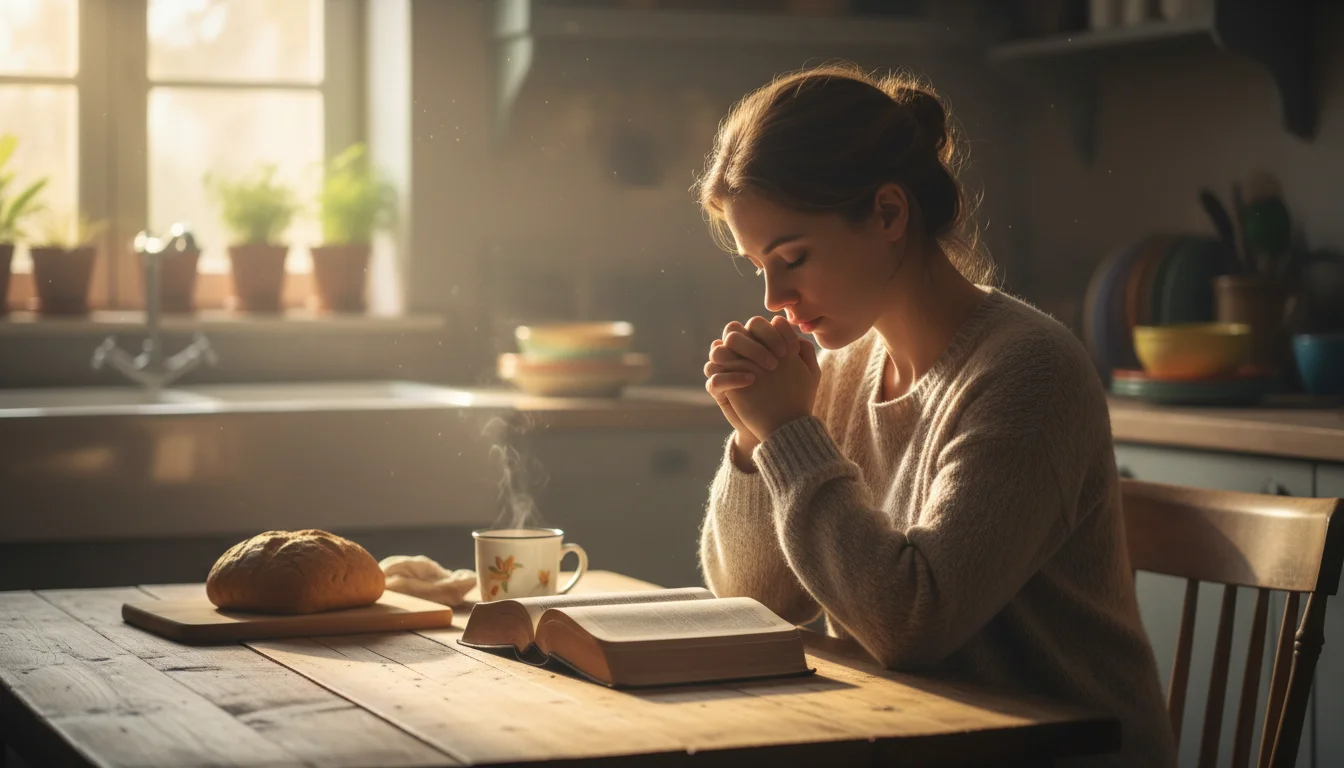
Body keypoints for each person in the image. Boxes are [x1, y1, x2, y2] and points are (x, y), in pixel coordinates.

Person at [694, 63, 1177, 767]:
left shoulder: (1028, 372)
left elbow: (914, 620)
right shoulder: (843, 368)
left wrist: (793, 436)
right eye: (758, 266)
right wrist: (756, 435)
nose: (773, 296)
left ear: (889, 213)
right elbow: (754, 600)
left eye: (792, 256)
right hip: (907, 738)